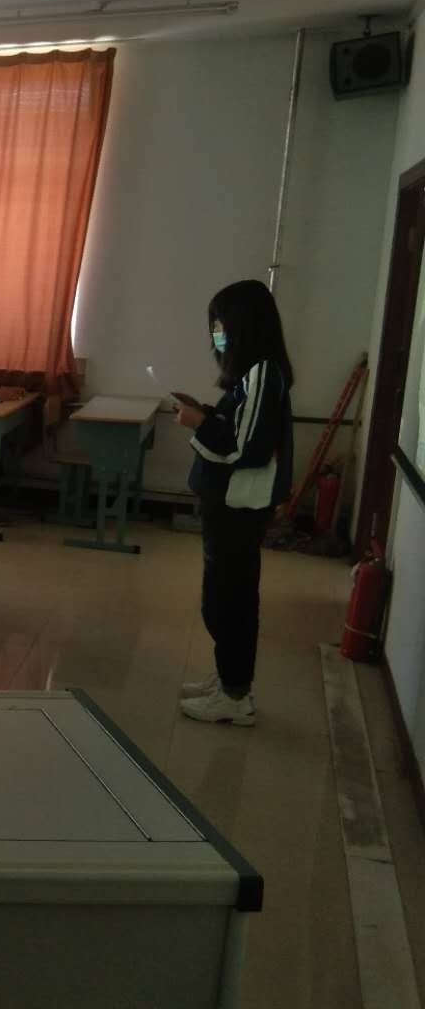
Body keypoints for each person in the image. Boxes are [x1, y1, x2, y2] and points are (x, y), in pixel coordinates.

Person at [175, 279, 294, 727]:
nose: (216, 335)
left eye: (221, 325)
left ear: (244, 325)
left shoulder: (263, 373)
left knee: (229, 600)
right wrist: (207, 413)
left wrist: (198, 423)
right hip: (228, 505)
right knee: (225, 596)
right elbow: (240, 425)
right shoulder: (254, 374)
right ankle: (229, 680)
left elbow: (248, 448)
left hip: (237, 507)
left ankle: (234, 695)